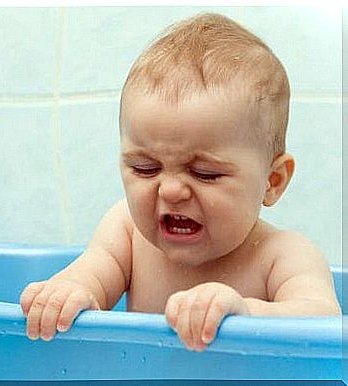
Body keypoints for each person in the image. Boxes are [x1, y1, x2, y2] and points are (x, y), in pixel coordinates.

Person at [20, 13, 341, 351]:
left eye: (205, 173)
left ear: (272, 181)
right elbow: (89, 276)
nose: (170, 190)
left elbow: (324, 322)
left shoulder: (283, 255)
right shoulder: (127, 233)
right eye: (145, 168)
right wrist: (66, 292)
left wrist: (247, 312)